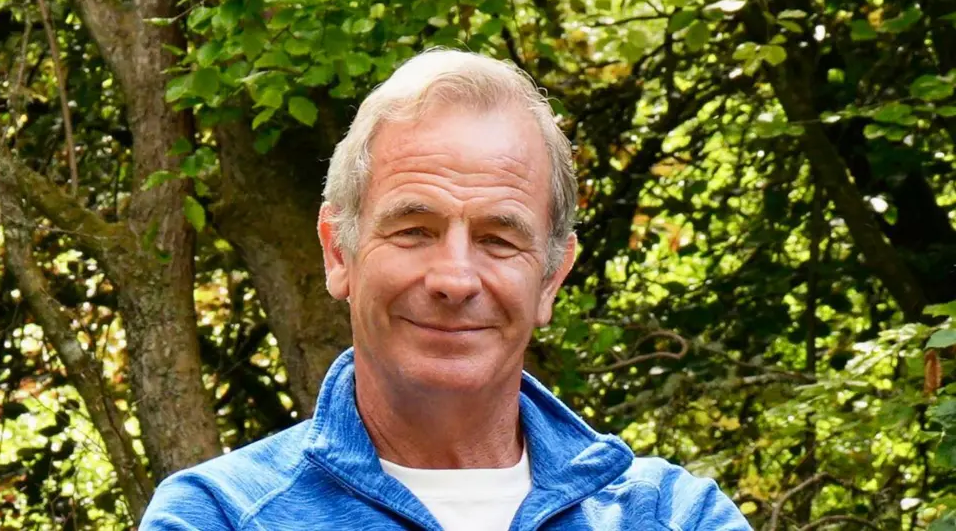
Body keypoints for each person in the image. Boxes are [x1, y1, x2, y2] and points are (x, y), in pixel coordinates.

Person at [140, 49, 752, 531]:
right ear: (337, 251)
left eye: (498, 239)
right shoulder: (217, 517)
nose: (454, 279)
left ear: (551, 277)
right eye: (413, 230)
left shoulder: (673, 516)